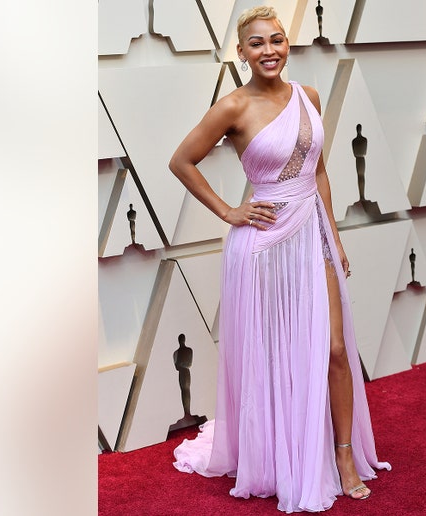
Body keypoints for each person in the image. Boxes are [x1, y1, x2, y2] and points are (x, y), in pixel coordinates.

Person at [168, 6, 390, 513]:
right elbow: (181, 160)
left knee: (334, 349)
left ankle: (343, 456)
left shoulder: (308, 96)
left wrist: (333, 235)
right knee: (278, 354)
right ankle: (283, 456)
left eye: (277, 40)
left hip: (312, 235)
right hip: (264, 247)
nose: (269, 50)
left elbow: (320, 173)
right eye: (256, 43)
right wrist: (229, 210)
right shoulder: (233, 107)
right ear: (241, 52)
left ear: (287, 45)